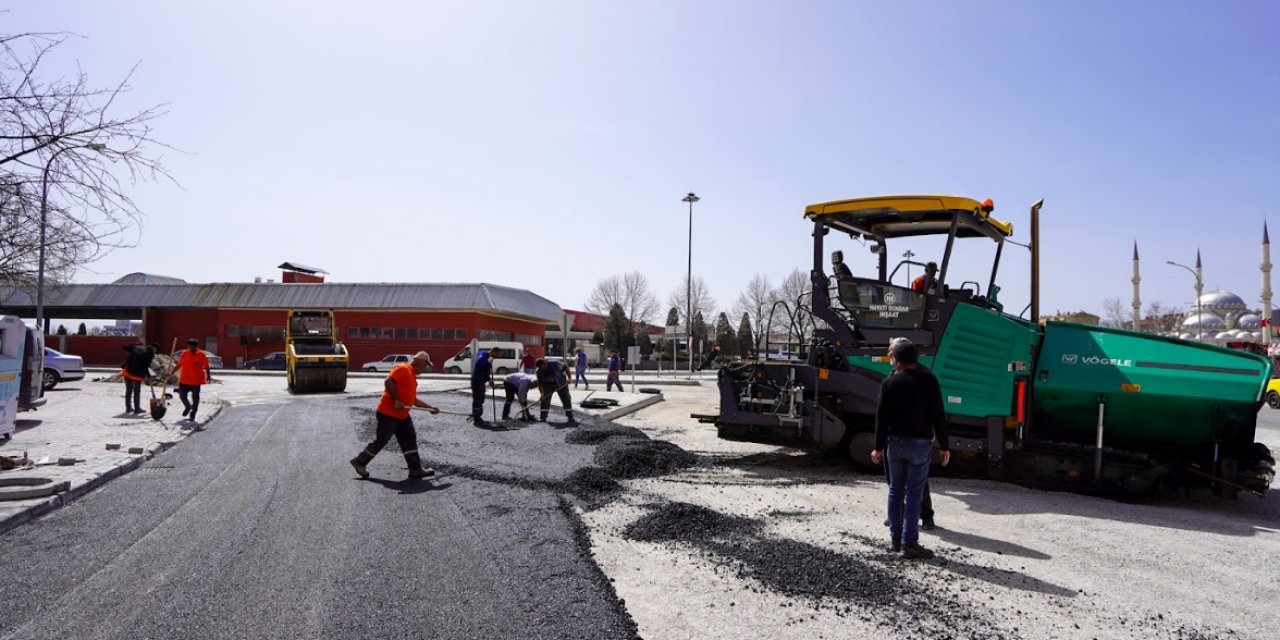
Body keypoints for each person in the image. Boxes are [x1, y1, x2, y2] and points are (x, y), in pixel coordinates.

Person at [870, 338, 950, 559]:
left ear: (898, 361)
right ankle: (909, 544)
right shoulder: (929, 380)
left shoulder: (889, 383)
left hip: (894, 444)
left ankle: (895, 540)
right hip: (920, 445)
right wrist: (944, 446)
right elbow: (938, 416)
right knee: (914, 493)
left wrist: (877, 448)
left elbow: (881, 419)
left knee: (895, 490)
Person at [350, 351, 439, 479]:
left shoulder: (413, 377)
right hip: (388, 414)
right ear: (419, 361)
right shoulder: (403, 369)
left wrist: (430, 408)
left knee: (409, 439)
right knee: (381, 441)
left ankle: (415, 469)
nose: (426, 368)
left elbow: (412, 400)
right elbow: (388, 381)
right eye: (426, 365)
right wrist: (396, 399)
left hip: (402, 416)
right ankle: (359, 462)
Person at [173, 338, 213, 420]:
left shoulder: (201, 354)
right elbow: (179, 364)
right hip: (184, 379)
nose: (192, 348)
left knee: (195, 398)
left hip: (196, 380)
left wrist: (208, 376)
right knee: (182, 395)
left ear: (196, 346)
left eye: (193, 346)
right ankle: (187, 406)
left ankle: (193, 412)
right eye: (190, 346)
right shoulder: (184, 353)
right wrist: (171, 372)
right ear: (188, 346)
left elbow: (206, 366)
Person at [534, 357, 576, 425]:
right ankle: (543, 417)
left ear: (545, 363)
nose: (542, 368)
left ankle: (570, 416)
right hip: (548, 386)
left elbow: (566, 368)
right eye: (540, 368)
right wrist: (542, 394)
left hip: (561, 383)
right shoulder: (538, 371)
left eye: (542, 367)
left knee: (566, 398)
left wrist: (570, 378)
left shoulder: (555, 363)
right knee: (545, 400)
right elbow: (540, 384)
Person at [120, 342, 159, 415]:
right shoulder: (149, 354)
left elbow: (125, 346)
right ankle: (137, 409)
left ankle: (128, 408)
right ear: (154, 348)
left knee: (128, 390)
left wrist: (134, 345)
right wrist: (148, 376)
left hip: (127, 372)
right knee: (136, 391)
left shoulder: (138, 347)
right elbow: (145, 367)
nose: (155, 352)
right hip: (136, 375)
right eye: (156, 350)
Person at [470, 346, 498, 427]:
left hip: (481, 381)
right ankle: (476, 419)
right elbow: (479, 362)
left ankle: (478, 416)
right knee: (477, 399)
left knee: (481, 399)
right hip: (477, 381)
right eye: (496, 355)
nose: (496, 357)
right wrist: (487, 362)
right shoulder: (483, 356)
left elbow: (485, 371)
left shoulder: (485, 355)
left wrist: (489, 380)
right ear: (493, 352)